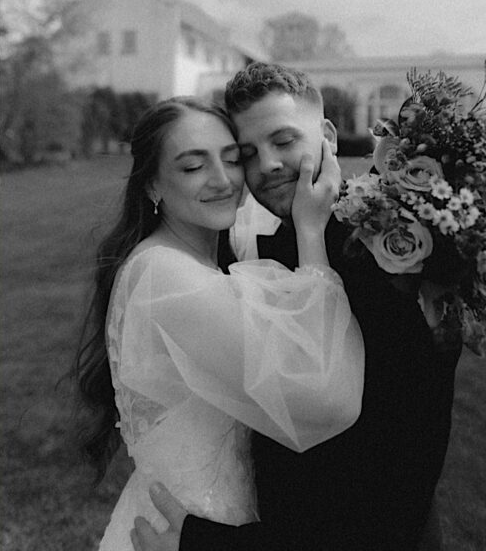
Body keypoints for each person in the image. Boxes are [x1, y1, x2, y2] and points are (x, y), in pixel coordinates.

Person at [132, 62, 461, 551]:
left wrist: (201, 543)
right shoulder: (269, 251)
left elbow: (391, 496)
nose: (266, 165)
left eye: (284, 141)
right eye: (248, 152)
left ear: (327, 134)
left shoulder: (390, 259)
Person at [73, 96, 364, 551]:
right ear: (152, 183)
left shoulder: (200, 260)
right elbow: (325, 400)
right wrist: (311, 234)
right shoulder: (166, 276)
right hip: (187, 526)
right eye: (193, 167)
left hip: (207, 522)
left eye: (233, 160)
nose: (224, 180)